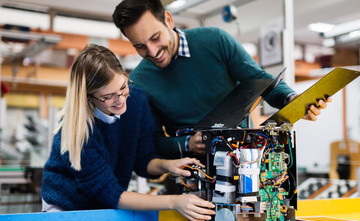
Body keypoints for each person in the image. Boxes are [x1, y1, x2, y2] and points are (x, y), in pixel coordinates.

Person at [112, 0, 330, 160]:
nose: (152, 51)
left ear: (168, 20)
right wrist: (187, 143)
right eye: (139, 46)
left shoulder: (215, 41)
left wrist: (292, 99)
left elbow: (261, 80)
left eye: (155, 37)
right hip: (194, 175)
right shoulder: (139, 81)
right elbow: (153, 142)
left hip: (247, 160)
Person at [41, 44, 215, 221]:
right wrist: (174, 201)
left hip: (105, 206)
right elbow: (112, 194)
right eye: (108, 97)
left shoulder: (137, 100)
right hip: (65, 209)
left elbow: (143, 160)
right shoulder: (77, 131)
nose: (121, 100)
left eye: (123, 87)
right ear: (89, 97)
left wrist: (169, 165)